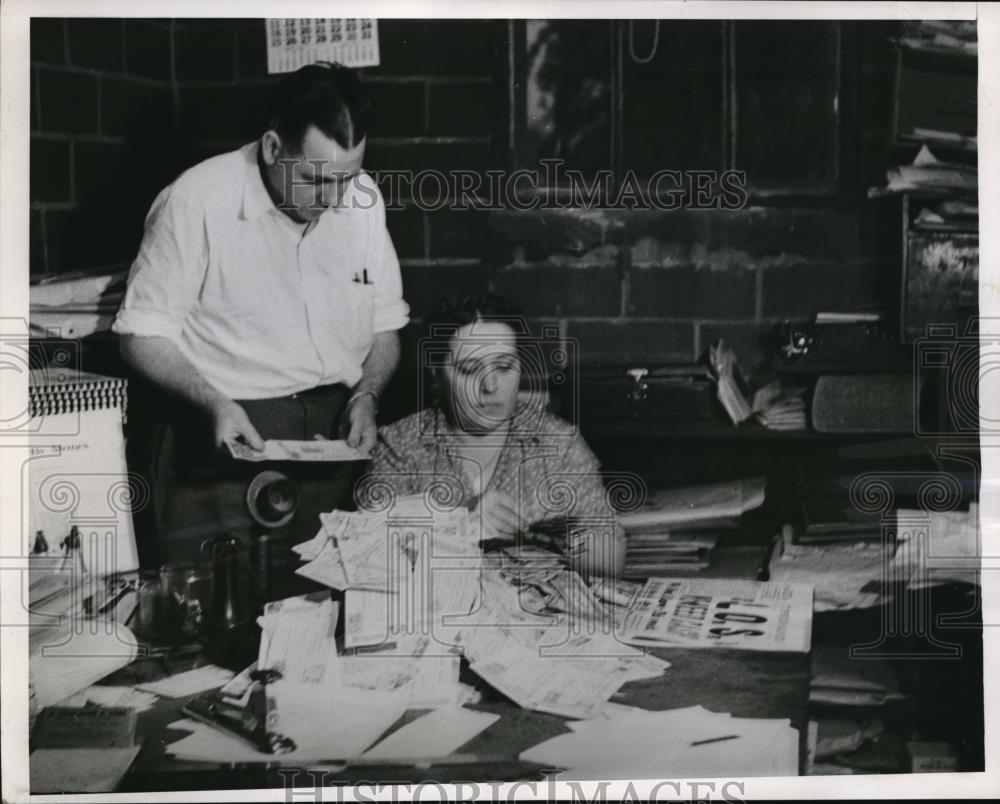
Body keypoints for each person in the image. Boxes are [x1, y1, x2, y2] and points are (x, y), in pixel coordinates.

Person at [113, 63, 408, 589]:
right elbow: (141, 337)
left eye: (349, 177)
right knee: (207, 628)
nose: (336, 198)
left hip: (330, 447)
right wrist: (214, 401)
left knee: (321, 624)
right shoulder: (197, 199)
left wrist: (367, 394)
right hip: (222, 446)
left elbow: (385, 328)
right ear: (273, 148)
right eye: (318, 180)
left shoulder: (361, 200)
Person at [364, 294, 625, 579]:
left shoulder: (558, 442)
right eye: (469, 369)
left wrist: (545, 538)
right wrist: (462, 522)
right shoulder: (399, 446)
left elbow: (612, 558)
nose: (490, 386)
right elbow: (368, 558)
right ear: (436, 374)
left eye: (503, 367)